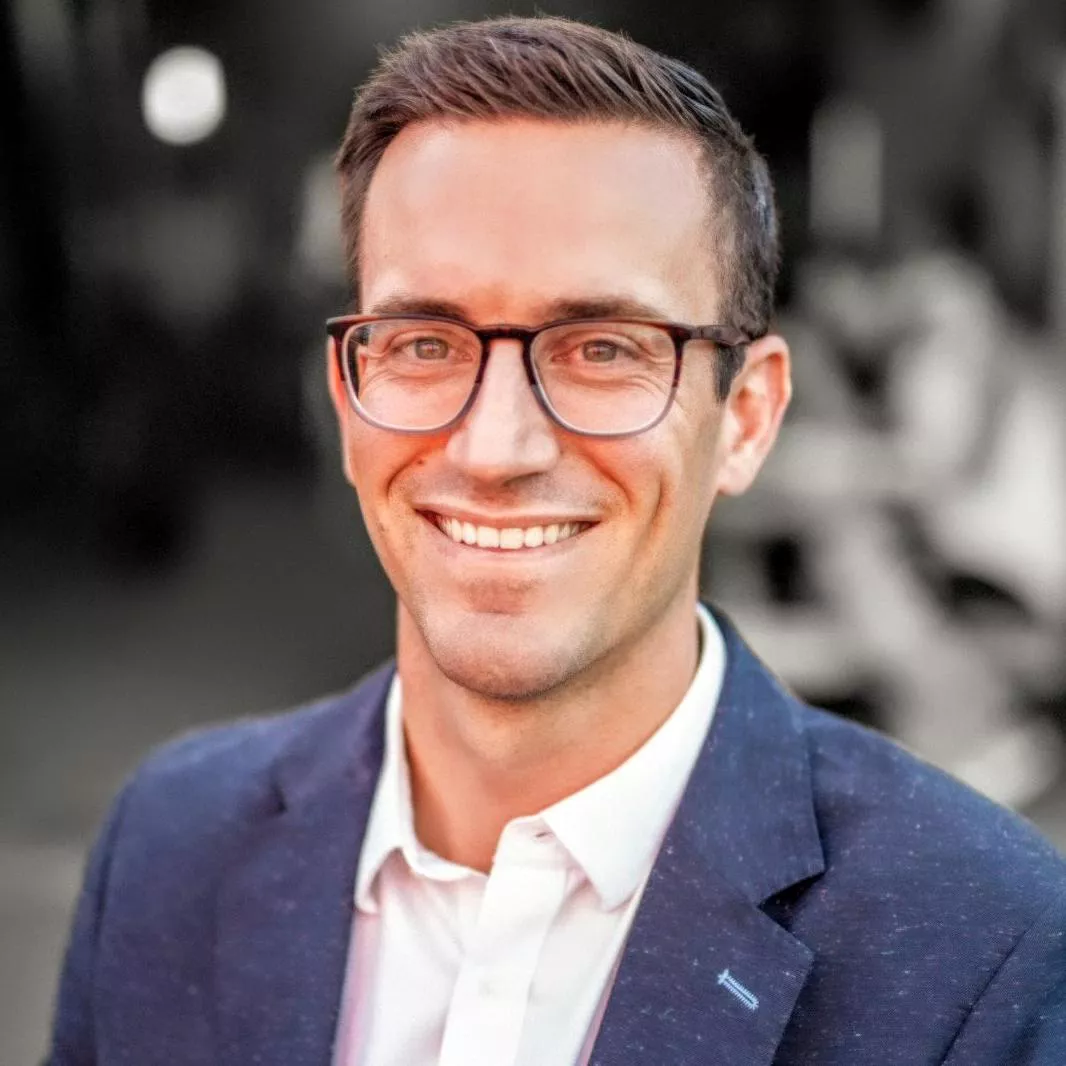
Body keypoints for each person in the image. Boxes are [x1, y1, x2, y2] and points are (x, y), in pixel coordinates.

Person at [47, 16, 1065, 1066]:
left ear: (748, 417)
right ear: (345, 404)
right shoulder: (166, 845)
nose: (495, 446)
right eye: (424, 343)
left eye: (602, 348)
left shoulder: (981, 950)